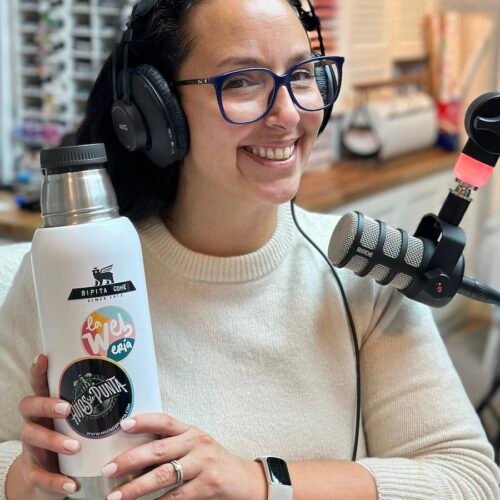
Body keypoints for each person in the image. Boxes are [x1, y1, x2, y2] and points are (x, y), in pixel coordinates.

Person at [1, 0, 499, 499]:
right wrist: (28, 477)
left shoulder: (365, 270)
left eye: (301, 75)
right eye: (240, 81)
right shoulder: (69, 273)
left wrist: (260, 483)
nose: (288, 114)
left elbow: (468, 480)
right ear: (155, 110)